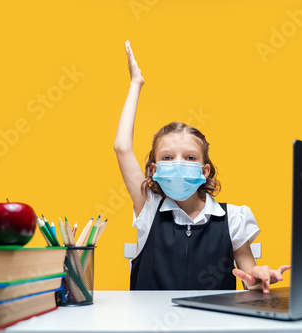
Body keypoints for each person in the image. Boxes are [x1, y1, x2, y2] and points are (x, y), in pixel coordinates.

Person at [114, 40, 290, 292]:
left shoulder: (234, 219)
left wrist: (260, 276)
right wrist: (135, 84)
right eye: (166, 158)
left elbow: (249, 277)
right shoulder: (149, 208)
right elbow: (122, 147)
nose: (177, 163)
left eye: (190, 157)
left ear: (204, 170)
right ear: (153, 170)